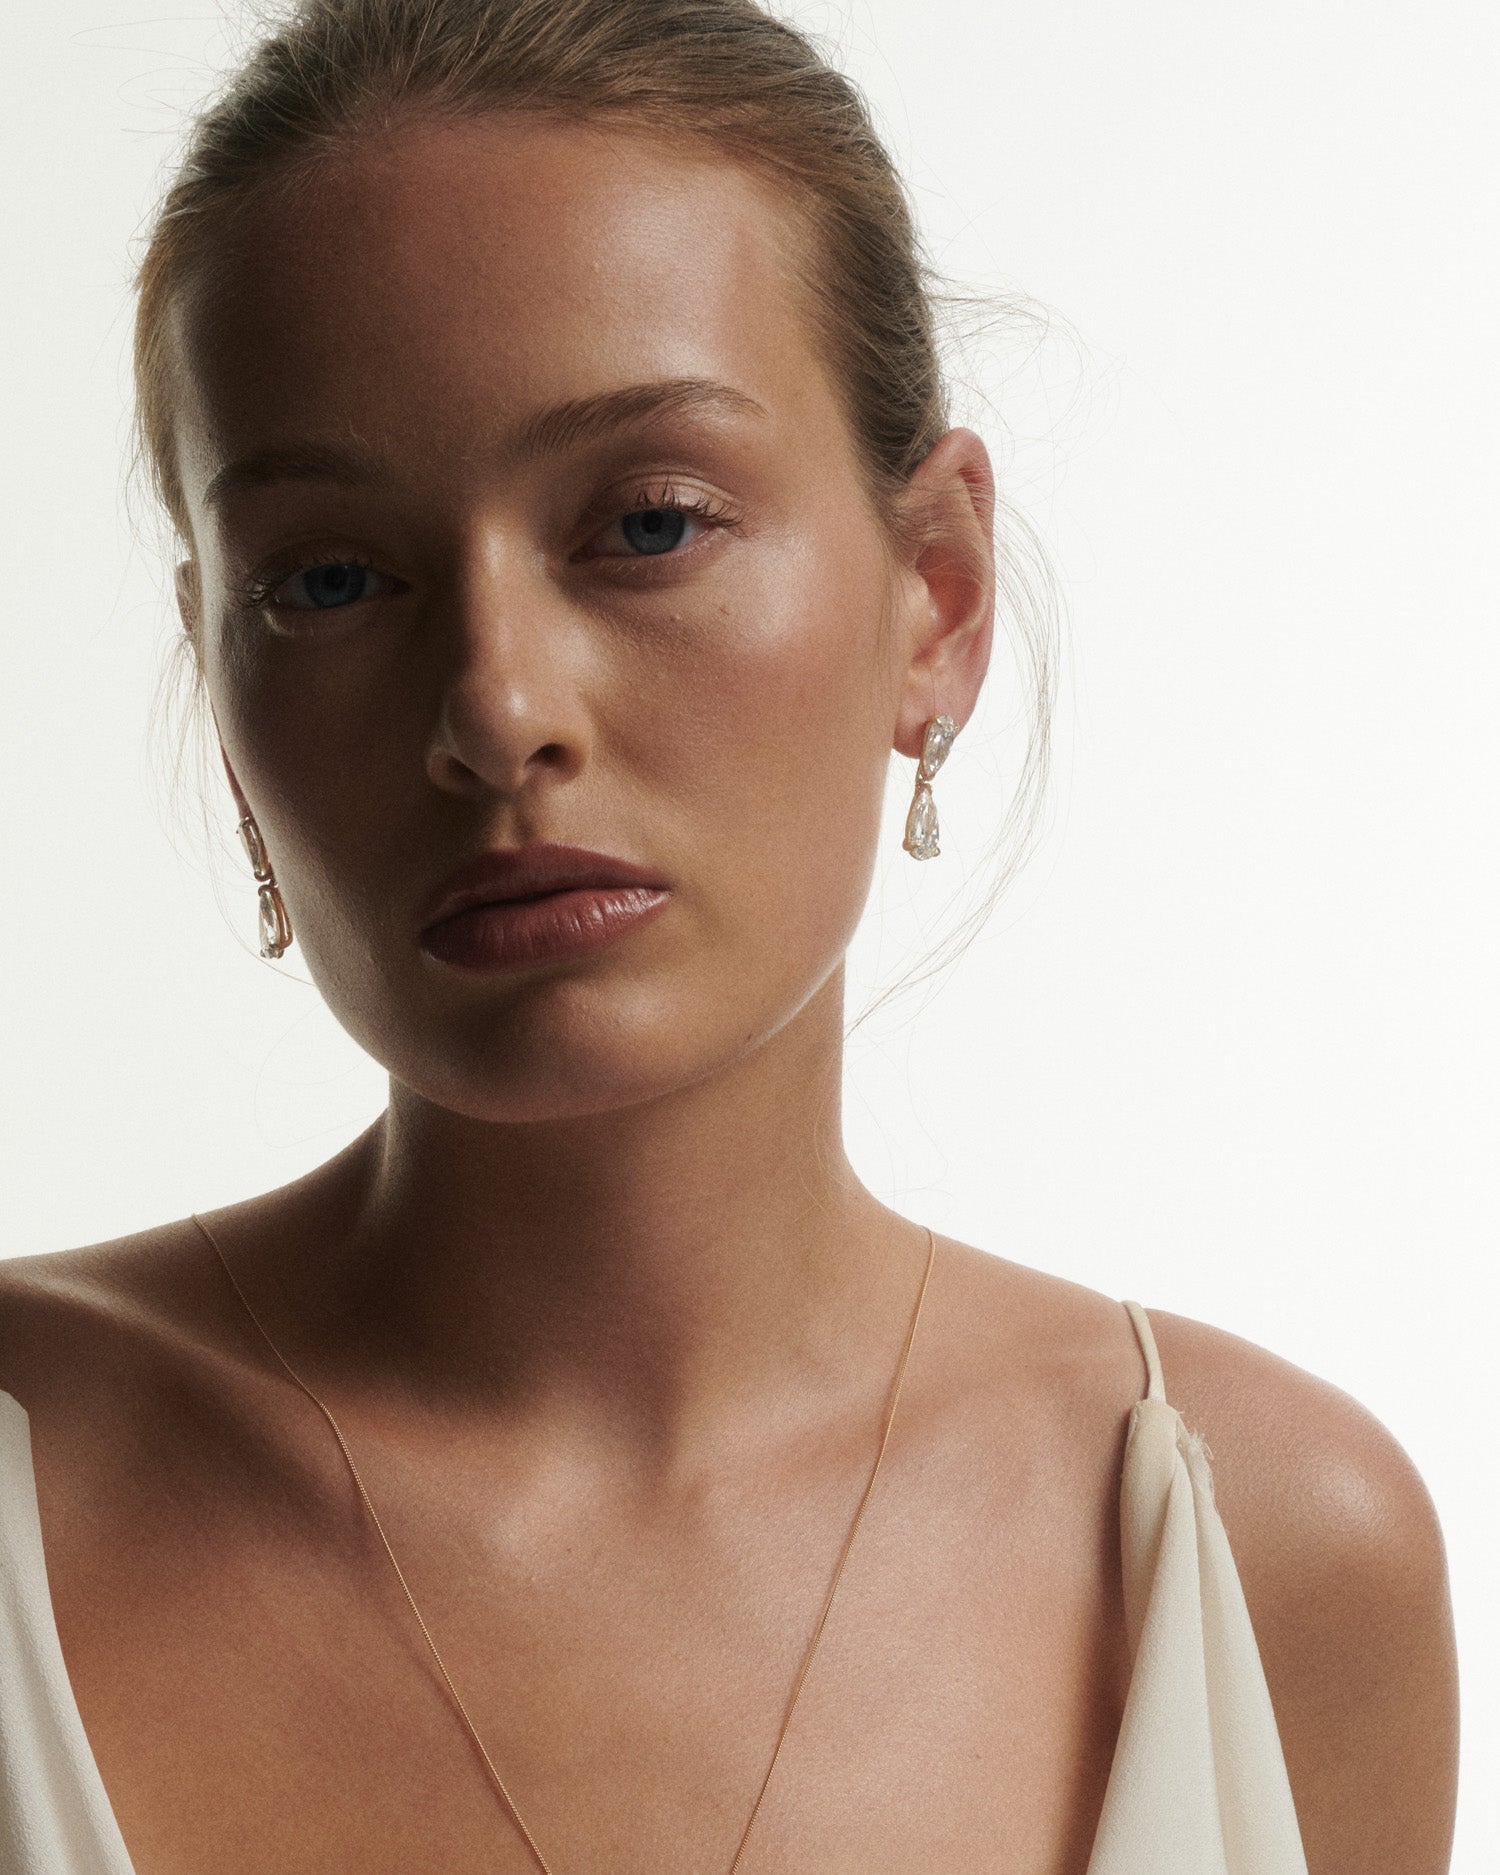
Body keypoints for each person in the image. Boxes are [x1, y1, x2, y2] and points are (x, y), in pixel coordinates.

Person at [0, 2, 1459, 1871]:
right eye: (331, 579)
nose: (497, 710)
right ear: (220, 686)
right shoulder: (35, 1454)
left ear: (937, 598)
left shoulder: (1278, 1553)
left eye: (649, 525)